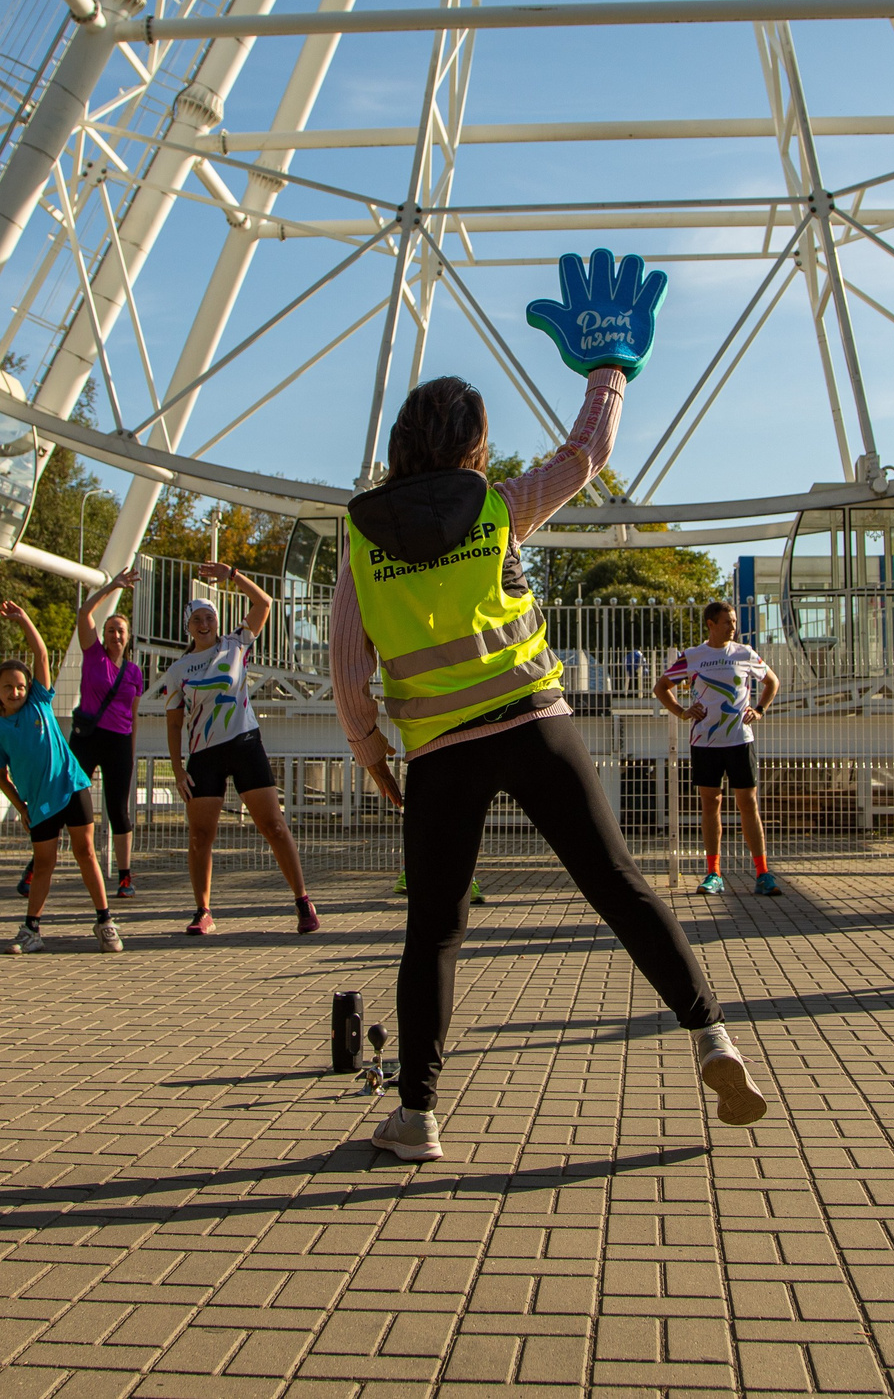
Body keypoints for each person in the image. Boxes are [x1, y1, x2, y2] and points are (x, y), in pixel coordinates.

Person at [339, 248, 767, 1163]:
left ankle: (417, 1114)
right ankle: (712, 1034)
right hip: (538, 723)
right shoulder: (496, 507)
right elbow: (586, 455)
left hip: (441, 749)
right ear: (473, 449)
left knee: (435, 927)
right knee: (618, 884)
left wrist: (373, 752)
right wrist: (609, 369)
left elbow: (348, 666)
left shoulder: (360, 537)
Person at [159, 564, 318, 936]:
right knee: (200, 836)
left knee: (274, 826)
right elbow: (172, 723)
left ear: (217, 621)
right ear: (188, 626)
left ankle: (303, 901)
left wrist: (231, 574)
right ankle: (202, 910)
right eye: (196, 618)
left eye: (209, 617)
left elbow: (264, 602)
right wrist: (178, 769)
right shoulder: (178, 669)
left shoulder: (235, 643)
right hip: (204, 756)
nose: (203, 623)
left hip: (245, 744)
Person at [0, 599, 121, 955]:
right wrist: (22, 806)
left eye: (20, 686)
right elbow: (1, 776)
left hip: (72, 786)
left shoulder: (39, 703)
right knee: (44, 863)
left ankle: (105, 921)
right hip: (39, 802)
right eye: (8, 687)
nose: (15, 692)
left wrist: (24, 619)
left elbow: (42, 655)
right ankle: (31, 930)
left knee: (86, 852)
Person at [18, 568, 145, 901]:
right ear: (103, 635)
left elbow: (133, 715)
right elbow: (83, 614)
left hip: (118, 742)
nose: (116, 635)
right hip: (86, 737)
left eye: (121, 631)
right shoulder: (93, 655)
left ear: (128, 638)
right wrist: (112, 586)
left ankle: (125, 876)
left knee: (118, 808)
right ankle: (35, 867)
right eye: (111, 630)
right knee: (64, 800)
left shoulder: (133, 672)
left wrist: (130, 752)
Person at [657, 602, 782, 896]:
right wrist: (683, 712)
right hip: (705, 742)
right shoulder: (692, 656)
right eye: (727, 622)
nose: (733, 626)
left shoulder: (744, 653)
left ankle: (763, 873)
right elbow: (661, 686)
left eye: (734, 621)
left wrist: (760, 710)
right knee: (710, 804)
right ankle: (713, 873)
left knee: (748, 804)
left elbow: (772, 681)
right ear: (711, 624)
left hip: (740, 739)